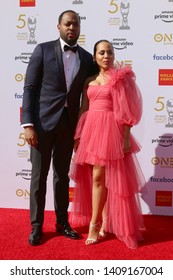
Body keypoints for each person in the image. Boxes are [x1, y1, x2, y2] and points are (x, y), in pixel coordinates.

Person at [21, 10, 95, 246]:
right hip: (41, 125)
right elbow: (30, 88)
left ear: (80, 28)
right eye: (67, 24)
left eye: (76, 24)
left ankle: (62, 223)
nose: (72, 28)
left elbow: (99, 80)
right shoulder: (42, 50)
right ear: (59, 26)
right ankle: (36, 226)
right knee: (38, 177)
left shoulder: (85, 58)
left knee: (62, 177)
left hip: (68, 125)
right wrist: (28, 124)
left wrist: (118, 72)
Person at [69, 39, 146, 249]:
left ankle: (96, 225)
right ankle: (102, 222)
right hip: (92, 131)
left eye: (109, 52)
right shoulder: (90, 81)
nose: (106, 56)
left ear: (113, 55)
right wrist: (78, 136)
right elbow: (84, 109)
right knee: (97, 177)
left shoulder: (121, 79)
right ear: (94, 56)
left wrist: (126, 137)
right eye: (101, 53)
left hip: (112, 131)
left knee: (108, 179)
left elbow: (129, 109)